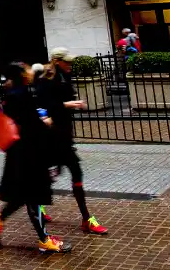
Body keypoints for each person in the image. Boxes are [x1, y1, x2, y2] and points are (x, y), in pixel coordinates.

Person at [0, 62, 71, 254]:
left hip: (19, 153)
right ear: (21, 74)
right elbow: (32, 126)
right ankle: (44, 240)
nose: (31, 71)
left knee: (22, 196)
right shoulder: (21, 95)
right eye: (26, 69)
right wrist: (47, 124)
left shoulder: (14, 94)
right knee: (33, 197)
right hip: (28, 155)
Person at [37, 48, 107, 235]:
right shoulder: (46, 80)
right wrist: (65, 105)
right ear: (57, 61)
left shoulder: (65, 78)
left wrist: (72, 104)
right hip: (51, 136)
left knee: (72, 173)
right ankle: (39, 208)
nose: (70, 65)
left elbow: (65, 101)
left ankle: (85, 219)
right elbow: (43, 106)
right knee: (52, 174)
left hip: (65, 135)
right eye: (67, 62)